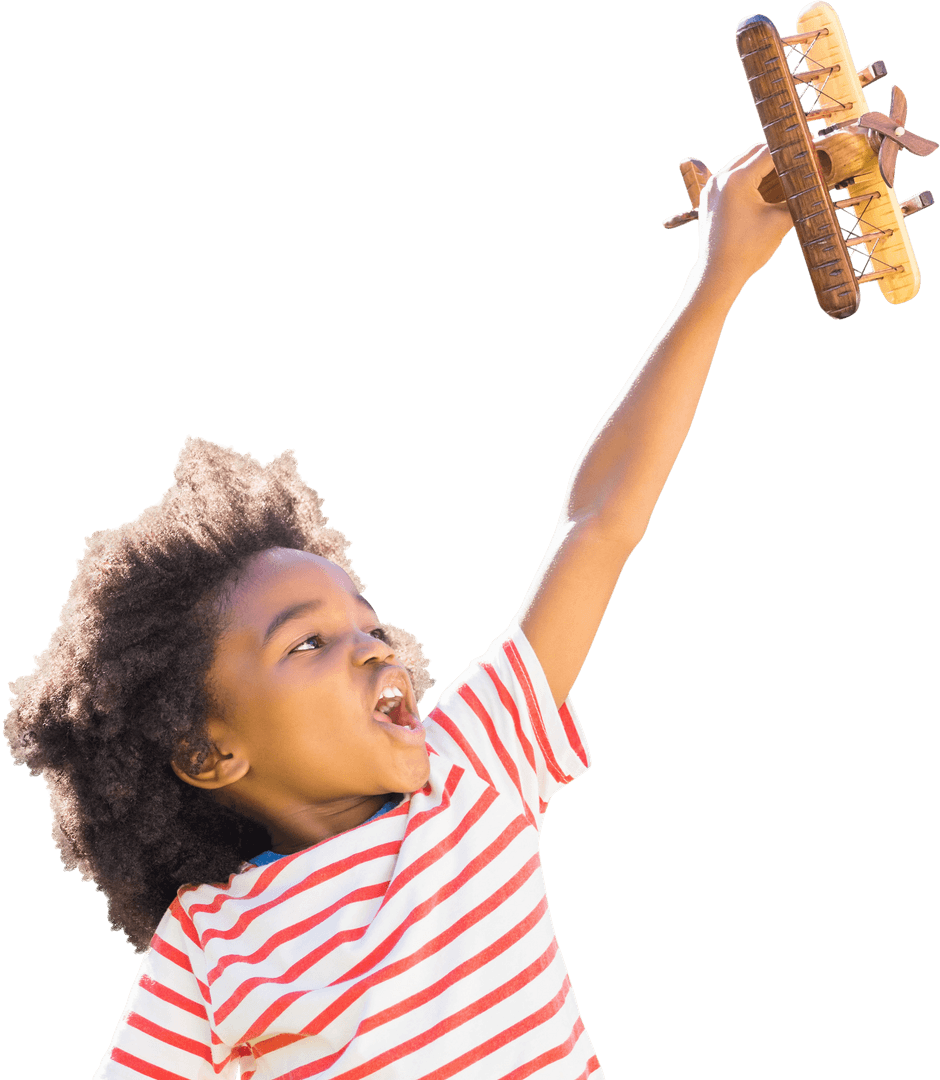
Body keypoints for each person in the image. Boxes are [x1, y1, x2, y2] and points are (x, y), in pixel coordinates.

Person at [4, 143, 792, 1079]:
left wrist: (717, 277)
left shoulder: (471, 774)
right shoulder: (207, 948)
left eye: (369, 626)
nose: (374, 651)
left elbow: (597, 521)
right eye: (308, 642)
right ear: (210, 750)